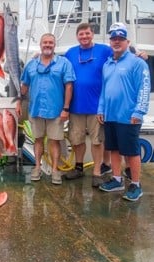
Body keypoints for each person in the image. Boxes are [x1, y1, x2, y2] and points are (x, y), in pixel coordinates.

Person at [97, 25, 150, 201]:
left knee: (131, 152)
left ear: (127, 42)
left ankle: (136, 184)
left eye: (120, 39)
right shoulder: (107, 64)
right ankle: (117, 179)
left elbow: (144, 88)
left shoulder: (137, 62)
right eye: (114, 39)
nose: (117, 42)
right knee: (113, 149)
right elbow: (104, 90)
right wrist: (101, 109)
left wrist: (139, 111)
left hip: (129, 116)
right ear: (110, 42)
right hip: (110, 115)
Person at [17, 33, 76, 185]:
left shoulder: (64, 63)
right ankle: (37, 167)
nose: (47, 45)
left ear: (54, 45)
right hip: (36, 109)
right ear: (40, 45)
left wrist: (66, 108)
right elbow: (24, 86)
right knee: (37, 140)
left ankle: (55, 170)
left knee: (54, 141)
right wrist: (18, 102)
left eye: (50, 42)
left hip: (56, 111)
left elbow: (69, 87)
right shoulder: (31, 64)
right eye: (45, 42)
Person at [63, 23, 113, 187]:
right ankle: (78, 167)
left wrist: (138, 54)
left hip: (96, 107)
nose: (84, 37)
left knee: (97, 141)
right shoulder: (70, 52)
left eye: (87, 33)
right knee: (77, 140)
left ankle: (97, 172)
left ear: (93, 34)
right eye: (81, 34)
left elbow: (121, 53)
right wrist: (36, 56)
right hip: (75, 106)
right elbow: (58, 66)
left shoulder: (104, 50)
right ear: (77, 36)